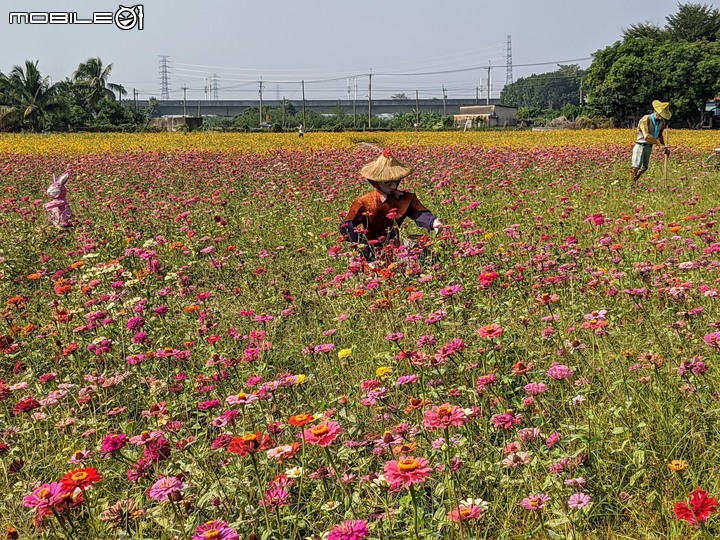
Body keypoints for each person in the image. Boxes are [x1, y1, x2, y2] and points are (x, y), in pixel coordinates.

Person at [339, 148, 443, 262]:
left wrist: (434, 222)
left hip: (396, 248)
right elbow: (346, 226)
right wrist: (364, 249)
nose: (393, 186)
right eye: (387, 182)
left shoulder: (406, 198)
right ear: (375, 182)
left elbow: (419, 213)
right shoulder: (364, 202)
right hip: (370, 250)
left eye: (396, 181)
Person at [630, 100, 671, 182]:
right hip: (640, 145)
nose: (662, 117)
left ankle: (634, 181)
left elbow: (659, 136)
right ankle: (630, 183)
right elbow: (646, 136)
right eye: (661, 114)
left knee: (644, 168)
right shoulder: (646, 119)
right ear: (655, 111)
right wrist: (659, 144)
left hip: (649, 147)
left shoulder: (662, 123)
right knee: (636, 166)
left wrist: (664, 147)